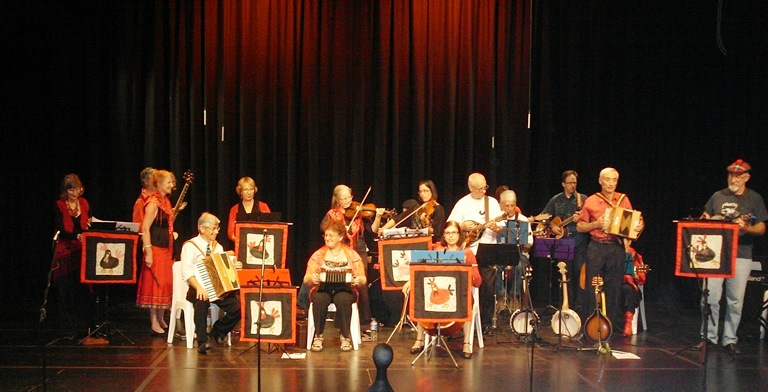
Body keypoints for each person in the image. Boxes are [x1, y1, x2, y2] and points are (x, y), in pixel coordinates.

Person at [699, 159, 768, 354]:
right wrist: (708, 220)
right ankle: (708, 337)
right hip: (715, 254)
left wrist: (747, 227)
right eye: (731, 175)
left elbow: (762, 227)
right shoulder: (718, 196)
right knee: (710, 296)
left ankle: (729, 338)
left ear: (746, 177)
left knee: (735, 299)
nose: (733, 179)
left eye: (738, 176)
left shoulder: (754, 199)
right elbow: (705, 217)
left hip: (741, 254)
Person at [576, 167, 643, 335]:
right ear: (600, 181)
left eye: (614, 180)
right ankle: (589, 328)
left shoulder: (623, 199)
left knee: (614, 288)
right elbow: (580, 226)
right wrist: (596, 224)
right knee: (592, 287)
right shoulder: (591, 200)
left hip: (616, 247)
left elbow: (632, 224)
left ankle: (608, 328)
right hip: (597, 246)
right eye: (607, 179)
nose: (611, 183)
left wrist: (638, 227)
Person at [405, 221, 482, 359]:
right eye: (447, 233)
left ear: (459, 235)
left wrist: (468, 273)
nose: (451, 236)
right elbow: (423, 271)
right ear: (444, 236)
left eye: (454, 232)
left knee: (468, 299)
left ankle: (466, 343)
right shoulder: (436, 250)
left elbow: (478, 281)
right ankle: (419, 339)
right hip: (438, 291)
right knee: (420, 295)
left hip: (458, 295)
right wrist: (410, 280)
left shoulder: (467, 252)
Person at [447, 173, 504, 334]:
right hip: (468, 250)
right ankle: (459, 321)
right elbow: (450, 225)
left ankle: (485, 322)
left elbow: (501, 227)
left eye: (485, 187)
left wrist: (496, 228)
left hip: (487, 248)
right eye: (480, 188)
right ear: (471, 187)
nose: (484, 191)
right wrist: (462, 227)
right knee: (462, 286)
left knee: (487, 287)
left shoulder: (491, 203)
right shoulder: (462, 203)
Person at [180, 212, 242, 354]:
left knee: (237, 307)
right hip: (196, 286)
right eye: (213, 228)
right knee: (201, 302)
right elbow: (187, 273)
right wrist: (199, 287)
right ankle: (202, 341)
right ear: (202, 229)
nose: (216, 231)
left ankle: (215, 333)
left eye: (217, 228)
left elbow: (221, 269)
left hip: (217, 287)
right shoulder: (190, 246)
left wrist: (234, 267)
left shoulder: (217, 247)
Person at [303, 219, 367, 352]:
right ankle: (318, 336)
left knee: (343, 299)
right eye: (326, 235)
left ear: (341, 237)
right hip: (322, 289)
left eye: (331, 235)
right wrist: (313, 278)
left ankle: (345, 336)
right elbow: (306, 280)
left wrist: (357, 280)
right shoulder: (319, 254)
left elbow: (363, 280)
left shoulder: (351, 255)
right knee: (319, 299)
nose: (327, 238)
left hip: (345, 290)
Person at [320, 185, 378, 327]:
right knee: (344, 281)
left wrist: (380, 216)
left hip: (358, 248)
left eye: (349, 197)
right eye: (343, 198)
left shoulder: (359, 212)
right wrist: (339, 228)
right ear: (337, 200)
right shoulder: (332, 214)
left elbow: (372, 230)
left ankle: (364, 320)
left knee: (360, 282)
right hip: (341, 249)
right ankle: (342, 319)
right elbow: (324, 228)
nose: (347, 201)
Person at [540, 170, 589, 318]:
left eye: (574, 182)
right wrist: (552, 226)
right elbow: (545, 217)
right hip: (563, 242)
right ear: (563, 184)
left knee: (579, 272)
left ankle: (579, 306)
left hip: (580, 241)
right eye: (569, 183)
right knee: (565, 273)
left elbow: (590, 219)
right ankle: (567, 304)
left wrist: (580, 219)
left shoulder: (583, 199)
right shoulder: (556, 200)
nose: (573, 185)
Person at [136, 169, 177, 336]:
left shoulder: (165, 201)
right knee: (156, 284)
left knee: (165, 284)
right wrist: (148, 251)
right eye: (169, 182)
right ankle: (153, 321)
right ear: (159, 184)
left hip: (166, 249)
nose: (172, 186)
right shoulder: (153, 202)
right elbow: (145, 228)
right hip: (156, 249)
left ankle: (160, 317)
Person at [52, 174, 94, 333]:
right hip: (64, 249)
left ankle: (85, 324)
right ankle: (67, 325)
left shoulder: (84, 203)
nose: (75, 193)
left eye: (77, 189)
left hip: (81, 249)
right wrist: (76, 236)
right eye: (71, 190)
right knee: (65, 287)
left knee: (82, 287)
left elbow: (88, 223)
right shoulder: (59, 205)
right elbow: (60, 228)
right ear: (66, 190)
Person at [496, 190, 534, 305]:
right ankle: (502, 296)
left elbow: (530, 243)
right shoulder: (496, 220)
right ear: (501, 205)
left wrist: (525, 243)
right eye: (507, 206)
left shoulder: (523, 219)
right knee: (494, 267)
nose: (510, 209)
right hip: (500, 255)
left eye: (513, 205)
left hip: (519, 254)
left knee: (518, 266)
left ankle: (514, 297)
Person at [227, 176, 272, 243]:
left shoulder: (263, 206)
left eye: (251, 189)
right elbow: (231, 232)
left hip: (261, 245)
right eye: (246, 190)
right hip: (241, 245)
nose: (249, 192)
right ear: (240, 192)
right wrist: (241, 242)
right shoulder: (234, 209)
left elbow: (271, 226)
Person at [620, 247, 647, 336]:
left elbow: (642, 279)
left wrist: (636, 275)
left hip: (628, 287)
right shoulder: (611, 250)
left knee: (628, 290)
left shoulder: (634, 255)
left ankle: (628, 324)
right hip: (611, 285)